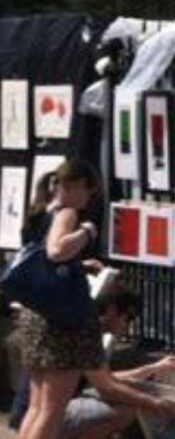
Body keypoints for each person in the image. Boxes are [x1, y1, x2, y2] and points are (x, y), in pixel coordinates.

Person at [12, 280, 175, 438]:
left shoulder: (79, 321)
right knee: (124, 412)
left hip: (25, 412)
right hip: (45, 415)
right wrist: (155, 403)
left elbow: (107, 379)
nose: (128, 325)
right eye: (129, 317)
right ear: (112, 310)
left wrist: (154, 368)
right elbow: (107, 388)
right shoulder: (88, 331)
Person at [16, 159, 105, 439]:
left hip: (37, 315)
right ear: (80, 187)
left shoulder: (43, 211)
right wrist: (86, 232)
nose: (88, 196)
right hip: (60, 321)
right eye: (88, 190)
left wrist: (79, 264)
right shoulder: (68, 214)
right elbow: (56, 252)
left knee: (38, 406)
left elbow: (46, 259)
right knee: (52, 409)